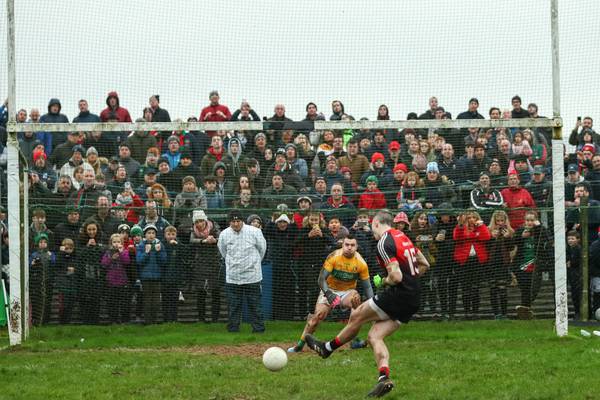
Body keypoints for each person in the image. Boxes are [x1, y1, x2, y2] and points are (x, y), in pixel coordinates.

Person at [305, 210, 430, 398]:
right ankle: (384, 378)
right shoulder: (403, 237)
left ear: (378, 224)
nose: (372, 231)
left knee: (356, 315)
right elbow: (424, 264)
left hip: (398, 294)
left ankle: (327, 349)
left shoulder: (384, 242)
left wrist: (385, 282)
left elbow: (395, 276)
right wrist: (410, 280)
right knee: (374, 336)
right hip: (413, 299)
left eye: (372, 226)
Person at [288, 234, 373, 353]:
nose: (349, 247)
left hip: (347, 292)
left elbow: (367, 286)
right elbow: (321, 279)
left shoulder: (361, 263)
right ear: (342, 245)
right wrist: (328, 294)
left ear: (356, 247)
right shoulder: (334, 257)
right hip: (329, 289)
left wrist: (373, 304)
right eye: (347, 245)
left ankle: (354, 340)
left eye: (352, 245)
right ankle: (300, 345)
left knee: (356, 301)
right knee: (317, 317)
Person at [217, 209, 267, 333]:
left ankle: (258, 329)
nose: (235, 224)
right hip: (233, 277)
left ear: (242, 221)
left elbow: (262, 249)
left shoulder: (255, 232)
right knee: (233, 305)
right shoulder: (224, 234)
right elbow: (222, 251)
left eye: (238, 221)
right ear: (229, 222)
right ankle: (233, 329)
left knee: (255, 305)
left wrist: (254, 263)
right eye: (233, 221)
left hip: (252, 276)